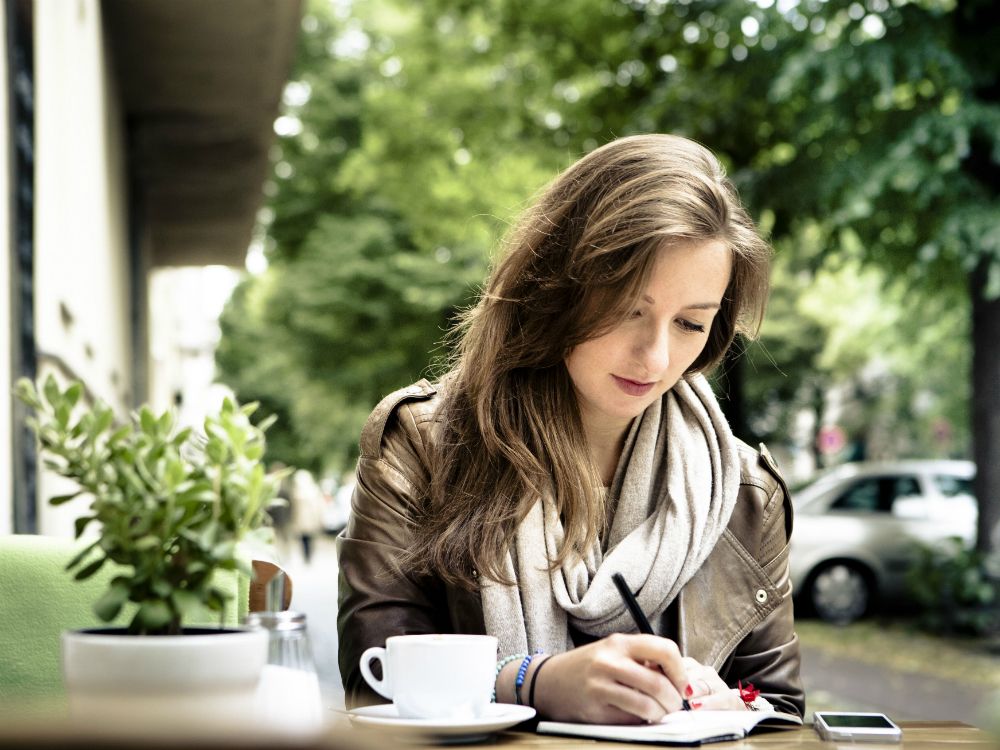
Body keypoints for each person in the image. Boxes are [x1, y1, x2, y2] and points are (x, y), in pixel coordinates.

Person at [337, 134, 804, 723]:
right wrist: (531, 682)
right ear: (556, 286)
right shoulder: (421, 444)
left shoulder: (744, 492)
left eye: (690, 323)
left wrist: (730, 704)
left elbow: (782, 708)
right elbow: (372, 687)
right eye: (631, 309)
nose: (655, 357)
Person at [289, 468, 324, 564]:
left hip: (304, 520)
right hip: (310, 519)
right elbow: (319, 506)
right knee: (308, 539)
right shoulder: (313, 490)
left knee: (305, 539)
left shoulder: (296, 492)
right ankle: (308, 556)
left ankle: (307, 557)